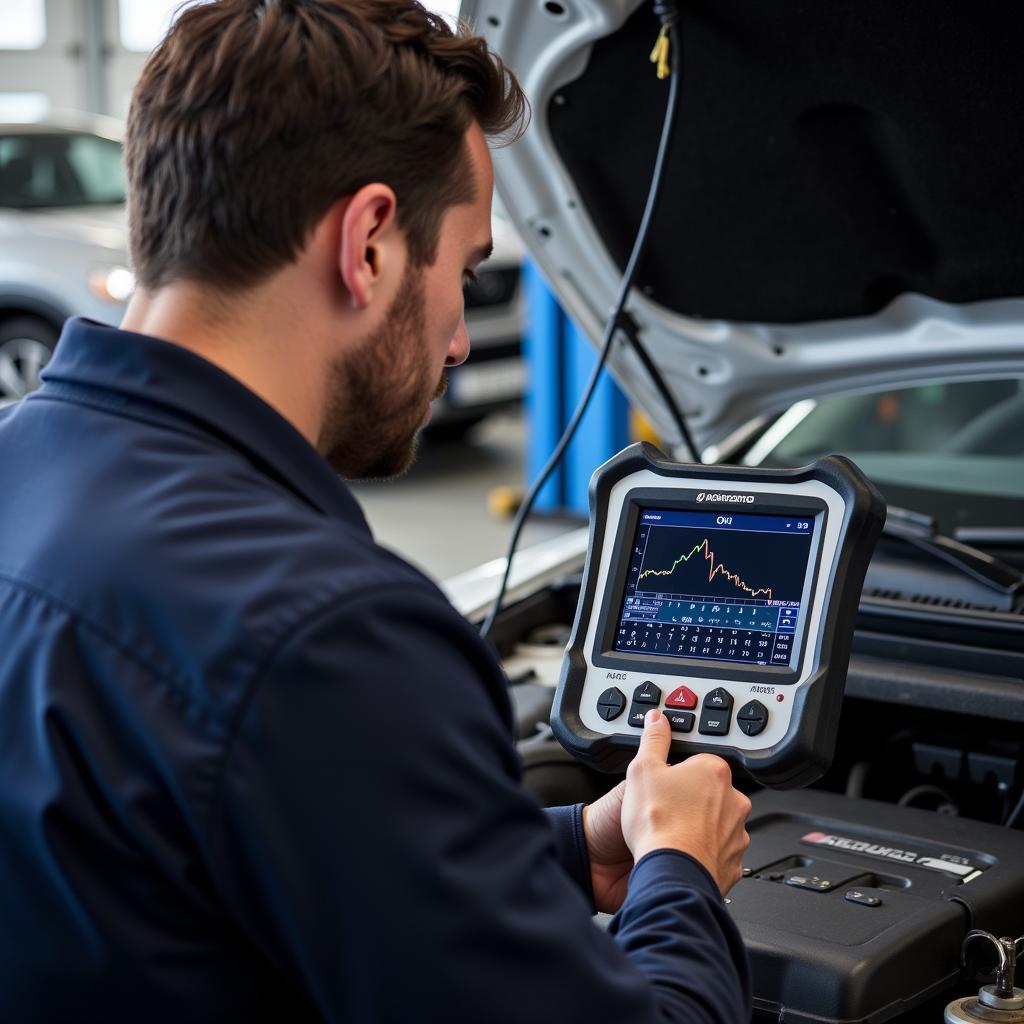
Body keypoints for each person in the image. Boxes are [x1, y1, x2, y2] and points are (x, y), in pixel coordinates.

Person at [0, 2, 752, 1021]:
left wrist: (573, 850)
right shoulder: (326, 633)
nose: (454, 342)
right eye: (467, 267)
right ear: (367, 245)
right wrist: (681, 873)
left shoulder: (24, 474)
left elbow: (212, 852)